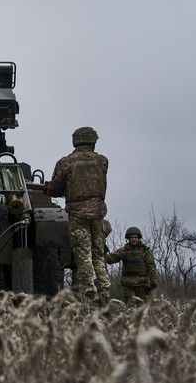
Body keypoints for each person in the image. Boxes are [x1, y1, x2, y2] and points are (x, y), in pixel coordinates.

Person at [44, 126, 111, 304]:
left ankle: (89, 295)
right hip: (98, 213)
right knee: (98, 254)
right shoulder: (102, 161)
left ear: (76, 141)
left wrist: (47, 188)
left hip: (77, 213)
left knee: (84, 254)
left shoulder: (66, 162)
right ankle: (104, 292)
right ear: (93, 141)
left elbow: (56, 188)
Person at [105, 226, 159, 304]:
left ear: (138, 238)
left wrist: (153, 280)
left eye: (135, 237)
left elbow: (151, 267)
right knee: (129, 306)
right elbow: (110, 259)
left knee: (142, 306)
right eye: (131, 237)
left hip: (142, 284)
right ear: (128, 239)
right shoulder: (123, 251)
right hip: (128, 284)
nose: (134, 239)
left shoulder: (145, 251)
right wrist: (103, 250)